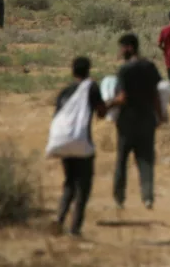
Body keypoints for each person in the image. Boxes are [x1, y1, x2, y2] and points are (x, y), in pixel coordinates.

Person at [53, 57, 106, 237]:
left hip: (62, 142)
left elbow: (58, 117)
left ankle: (59, 219)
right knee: (83, 187)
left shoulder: (65, 91)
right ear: (88, 70)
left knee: (69, 183)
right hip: (82, 143)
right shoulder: (91, 88)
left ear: (73, 71)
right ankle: (74, 229)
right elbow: (102, 112)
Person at [110, 34, 163, 210]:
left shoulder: (125, 70)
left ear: (129, 48)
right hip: (147, 119)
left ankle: (119, 198)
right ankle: (147, 197)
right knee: (146, 160)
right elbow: (156, 95)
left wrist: (107, 104)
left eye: (122, 48)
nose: (120, 52)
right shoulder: (150, 66)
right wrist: (160, 115)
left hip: (127, 122)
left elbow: (122, 98)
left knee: (122, 160)